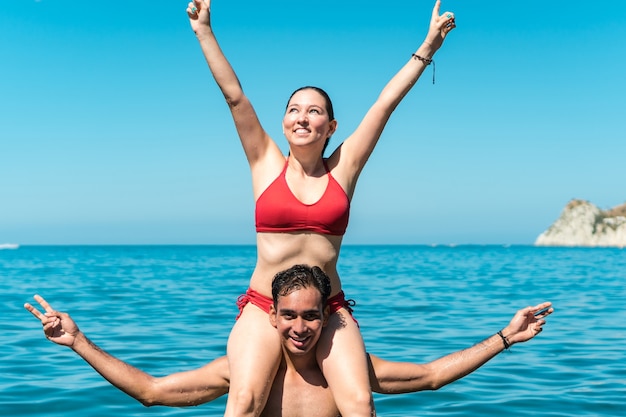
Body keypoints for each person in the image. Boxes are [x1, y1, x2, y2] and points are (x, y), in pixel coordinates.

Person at [185, 0, 457, 415]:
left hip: (327, 309)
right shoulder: (264, 163)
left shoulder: (343, 169)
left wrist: (428, 48)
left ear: (330, 127)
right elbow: (235, 98)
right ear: (282, 122)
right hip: (264, 307)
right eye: (293, 110)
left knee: (360, 402)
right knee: (243, 403)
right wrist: (204, 31)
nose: (301, 117)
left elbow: (384, 105)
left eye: (314, 111)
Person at [25, 264, 553, 417]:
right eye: (289, 316)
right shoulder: (244, 376)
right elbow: (153, 392)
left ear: (327, 318)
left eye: (310, 316)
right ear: (272, 319)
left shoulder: (349, 379)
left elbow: (433, 376)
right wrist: (79, 343)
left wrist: (506, 336)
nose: (300, 327)